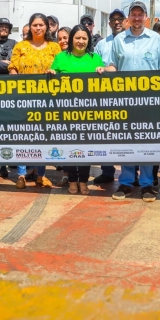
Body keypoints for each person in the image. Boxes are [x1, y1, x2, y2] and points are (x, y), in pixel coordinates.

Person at [108, 1, 160, 202]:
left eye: (140, 14)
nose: (136, 18)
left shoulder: (156, 39)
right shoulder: (119, 40)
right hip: (124, 102)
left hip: (149, 103)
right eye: (133, 14)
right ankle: (125, 183)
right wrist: (103, 71)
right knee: (126, 141)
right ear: (129, 18)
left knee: (147, 141)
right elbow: (112, 66)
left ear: (146, 18)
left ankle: (146, 185)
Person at [47, 24, 108, 194]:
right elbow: (52, 80)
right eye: (77, 38)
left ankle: (83, 181)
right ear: (72, 39)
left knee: (86, 148)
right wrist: (51, 73)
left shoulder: (95, 58)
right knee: (68, 147)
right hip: (65, 112)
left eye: (84, 38)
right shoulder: (60, 57)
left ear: (88, 40)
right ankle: (72, 180)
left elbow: (104, 83)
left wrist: (101, 70)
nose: (80, 41)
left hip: (88, 112)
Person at [9, 13, 62, 189]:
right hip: (24, 97)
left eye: (41, 25)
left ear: (47, 27)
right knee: (23, 135)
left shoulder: (55, 48)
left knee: (43, 136)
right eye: (35, 25)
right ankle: (22, 174)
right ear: (30, 27)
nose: (38, 28)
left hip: (47, 99)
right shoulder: (21, 46)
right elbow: (13, 68)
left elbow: (60, 69)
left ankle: (41, 174)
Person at [91, 8, 127, 185]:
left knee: (128, 134)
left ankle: (131, 173)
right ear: (109, 23)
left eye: (120, 19)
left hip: (128, 94)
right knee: (104, 133)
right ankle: (107, 170)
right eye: (113, 19)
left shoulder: (131, 41)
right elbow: (96, 67)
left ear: (126, 21)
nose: (117, 22)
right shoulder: (101, 44)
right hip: (104, 94)